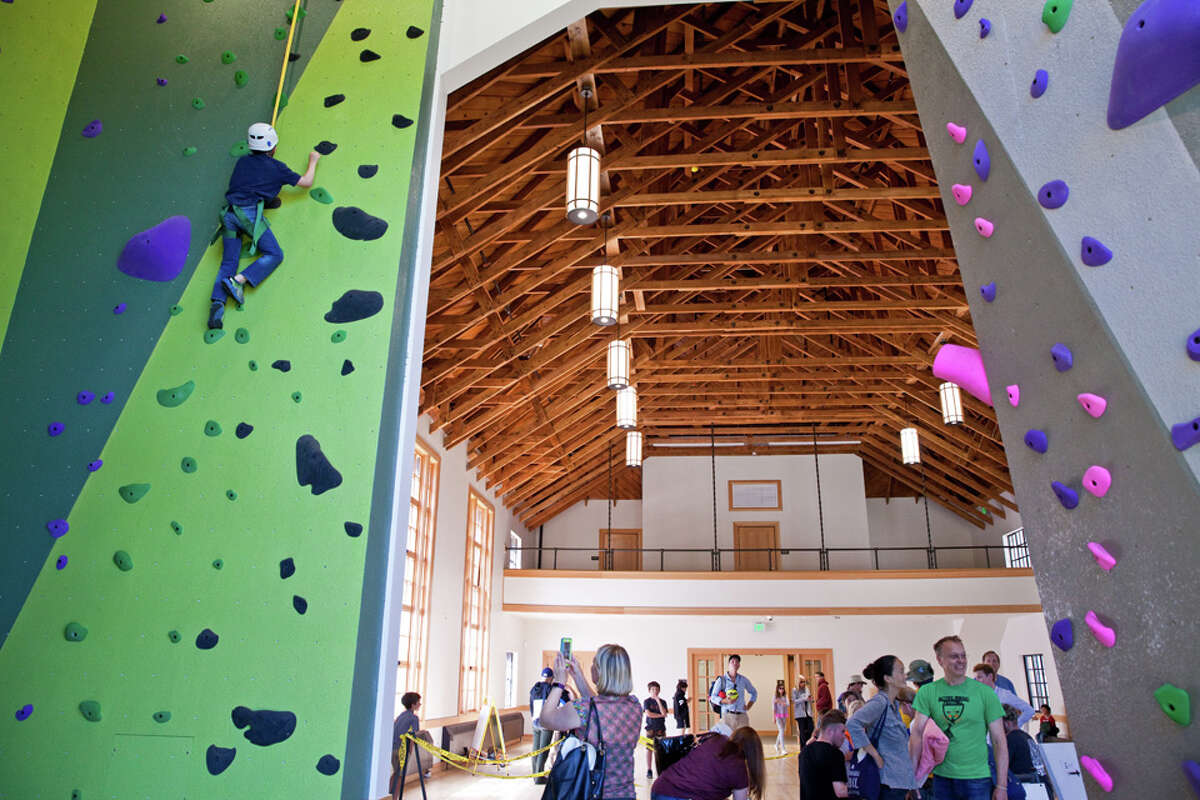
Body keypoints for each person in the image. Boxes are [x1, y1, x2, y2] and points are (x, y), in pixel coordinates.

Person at [208, 122, 320, 330]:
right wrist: (313, 161)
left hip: (229, 215)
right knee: (275, 254)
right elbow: (306, 182)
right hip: (248, 215)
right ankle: (238, 281)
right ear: (274, 147)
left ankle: (217, 304)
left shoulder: (242, 162)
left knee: (228, 261)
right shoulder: (277, 169)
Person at [909, 635, 1009, 800]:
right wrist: (911, 779)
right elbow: (917, 734)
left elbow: (999, 740)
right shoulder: (928, 692)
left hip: (977, 778)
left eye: (963, 655)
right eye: (954, 656)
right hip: (942, 778)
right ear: (940, 660)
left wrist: (1002, 786)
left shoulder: (984, 693)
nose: (961, 661)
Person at [540, 644, 642, 800]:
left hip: (592, 792)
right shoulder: (634, 706)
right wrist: (578, 676)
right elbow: (599, 707)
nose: (591, 667)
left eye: (594, 663)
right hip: (625, 794)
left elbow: (546, 720)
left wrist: (559, 683)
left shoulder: (583, 709)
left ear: (600, 672)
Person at [846, 655, 919, 800]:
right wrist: (875, 755)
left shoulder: (893, 704)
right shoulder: (880, 702)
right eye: (900, 671)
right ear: (888, 678)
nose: (904, 675)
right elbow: (853, 723)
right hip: (888, 782)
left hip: (898, 781)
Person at [651, 725, 766, 800]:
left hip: (659, 788)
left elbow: (707, 781)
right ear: (754, 754)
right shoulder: (739, 769)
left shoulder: (715, 739)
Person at [530, 666, 571, 784]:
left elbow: (531, 706)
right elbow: (564, 701)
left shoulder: (534, 689)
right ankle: (539, 777)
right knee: (544, 750)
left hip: (535, 721)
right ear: (551, 678)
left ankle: (534, 774)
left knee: (535, 749)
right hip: (546, 723)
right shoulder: (552, 689)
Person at [798, 709, 851, 799]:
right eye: (842, 732)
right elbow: (840, 792)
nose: (844, 736)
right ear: (830, 731)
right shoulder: (835, 754)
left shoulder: (804, 752)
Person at [390, 691, 430, 796]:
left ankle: (389, 793)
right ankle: (395, 797)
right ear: (413, 705)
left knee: (396, 772)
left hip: (393, 748)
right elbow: (413, 736)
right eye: (418, 702)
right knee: (400, 775)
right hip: (401, 749)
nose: (420, 704)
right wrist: (410, 751)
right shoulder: (414, 718)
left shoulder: (401, 715)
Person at [973, 663, 1035, 728]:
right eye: (976, 678)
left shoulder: (1004, 695)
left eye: (979, 677)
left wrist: (1014, 726)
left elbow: (1029, 710)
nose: (976, 681)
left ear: (990, 676)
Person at [708, 654, 757, 731]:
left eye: (737, 662)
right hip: (727, 715)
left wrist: (749, 705)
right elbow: (713, 697)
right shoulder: (721, 680)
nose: (735, 663)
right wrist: (725, 701)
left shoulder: (743, 680)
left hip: (742, 716)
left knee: (743, 740)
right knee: (727, 740)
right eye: (732, 661)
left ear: (739, 665)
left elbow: (754, 693)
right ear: (728, 664)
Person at [1002, 705, 1045, 784]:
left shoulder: (1010, 739)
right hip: (1040, 783)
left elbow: (1002, 768)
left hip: (1024, 785)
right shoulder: (1027, 737)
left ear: (1006, 723)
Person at [644, 681, 670, 778]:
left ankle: (661, 769)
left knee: (661, 750)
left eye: (656, 689)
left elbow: (665, 713)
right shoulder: (647, 701)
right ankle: (649, 770)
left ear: (659, 690)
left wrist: (658, 701)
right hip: (650, 728)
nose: (654, 691)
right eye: (652, 689)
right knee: (649, 749)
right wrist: (660, 715)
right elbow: (648, 714)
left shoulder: (663, 702)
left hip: (661, 729)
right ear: (649, 690)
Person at [792, 674, 815, 750]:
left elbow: (808, 698)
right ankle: (803, 748)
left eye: (804, 682)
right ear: (798, 682)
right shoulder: (795, 690)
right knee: (802, 732)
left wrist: (811, 700)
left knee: (811, 728)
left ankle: (809, 745)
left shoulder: (807, 689)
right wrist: (804, 699)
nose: (803, 683)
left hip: (808, 713)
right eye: (802, 682)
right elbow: (794, 701)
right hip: (800, 714)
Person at [772, 684, 789, 754]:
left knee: (781, 731)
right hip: (778, 715)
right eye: (780, 688)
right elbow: (773, 708)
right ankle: (783, 749)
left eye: (783, 688)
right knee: (781, 731)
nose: (781, 690)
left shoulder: (785, 696)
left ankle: (776, 745)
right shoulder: (774, 697)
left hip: (784, 715)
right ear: (777, 689)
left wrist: (780, 702)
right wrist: (774, 718)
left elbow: (788, 704)